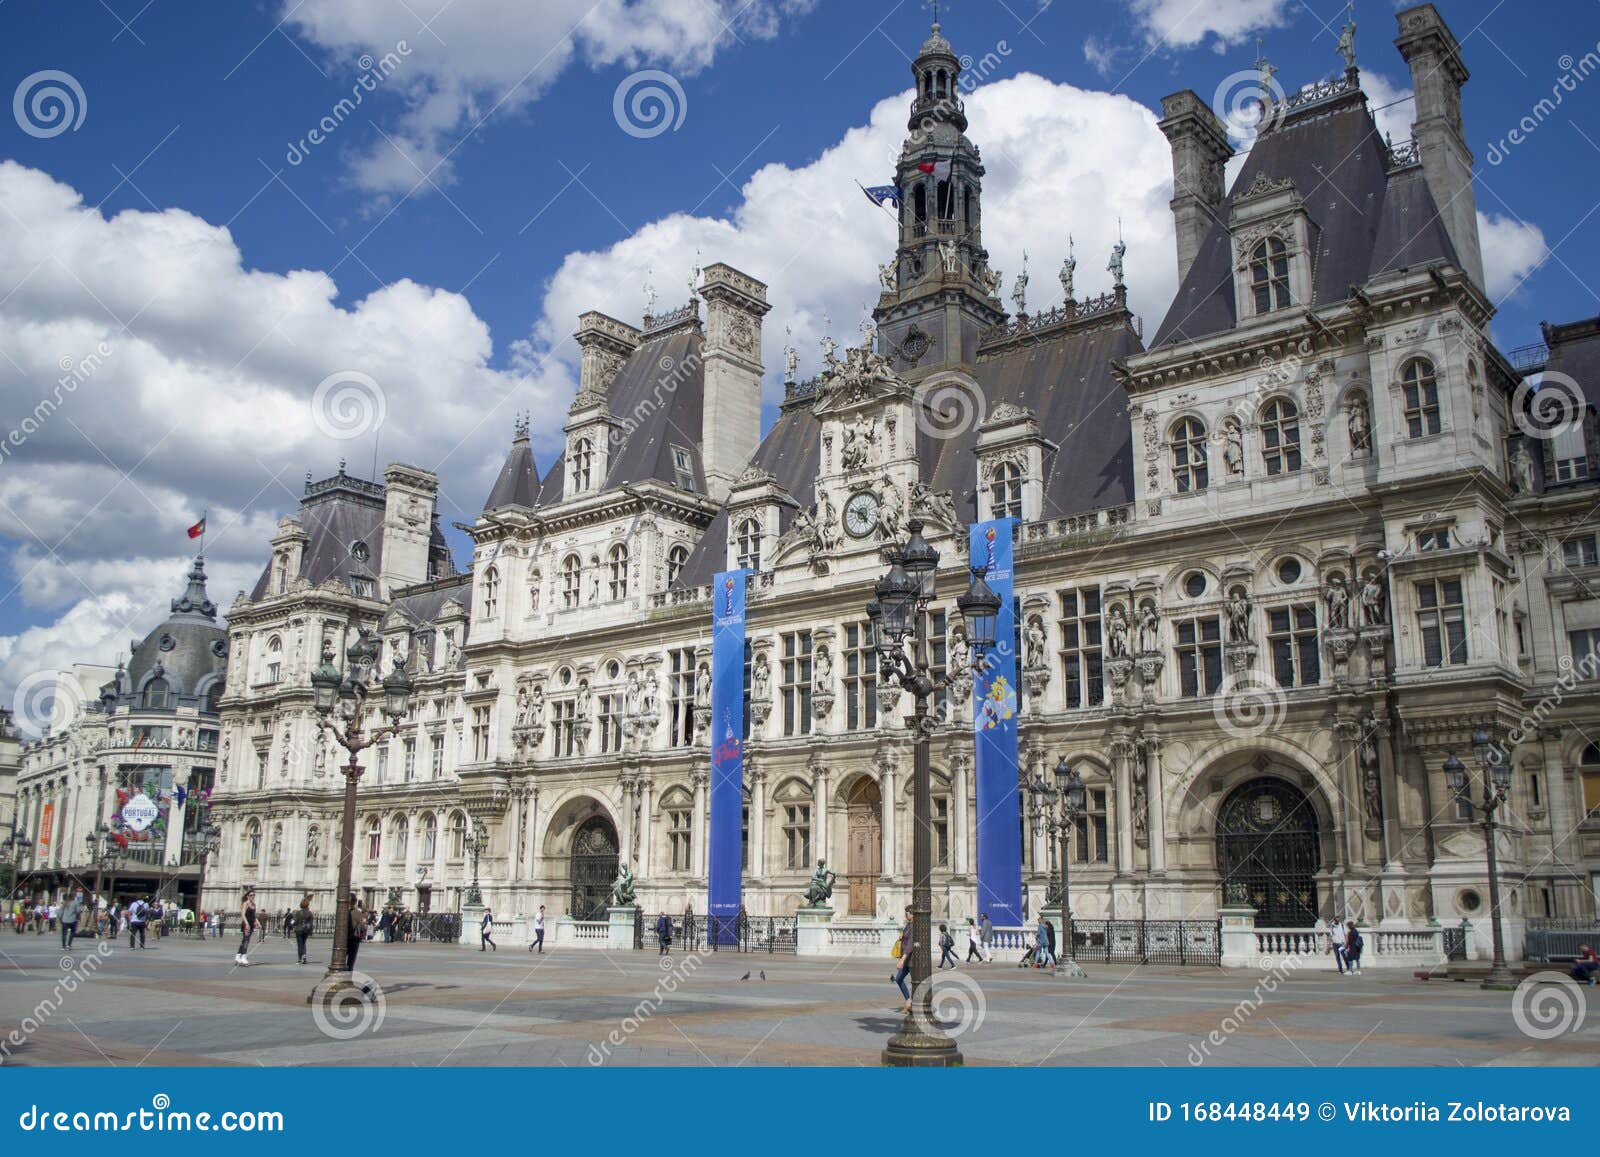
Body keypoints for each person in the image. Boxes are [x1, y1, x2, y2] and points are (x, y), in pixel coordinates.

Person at [891, 905, 915, 1013]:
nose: (906, 915)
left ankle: (915, 1004)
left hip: (911, 959)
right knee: (899, 978)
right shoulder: (908, 925)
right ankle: (908, 1000)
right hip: (906, 959)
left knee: (916, 982)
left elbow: (910, 944)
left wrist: (902, 959)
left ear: (912, 914)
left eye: (907, 913)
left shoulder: (915, 926)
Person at [236, 890, 258, 966]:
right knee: (246, 940)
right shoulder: (245, 903)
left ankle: (238, 955)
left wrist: (257, 922)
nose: (252, 896)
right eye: (251, 895)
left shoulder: (254, 905)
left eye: (254, 895)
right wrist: (247, 923)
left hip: (251, 924)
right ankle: (243, 956)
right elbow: (243, 914)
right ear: (247, 896)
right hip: (246, 924)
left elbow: (254, 915)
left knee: (245, 940)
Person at [345, 897, 367, 970]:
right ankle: (349, 969)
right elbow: (363, 926)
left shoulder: (341, 911)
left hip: (342, 937)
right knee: (351, 957)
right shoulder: (357, 912)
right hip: (354, 937)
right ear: (355, 902)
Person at [293, 896, 314, 965]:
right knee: (304, 944)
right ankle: (304, 958)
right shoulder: (310, 913)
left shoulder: (298, 912)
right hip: (306, 930)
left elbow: (295, 922)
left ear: (301, 905)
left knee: (300, 944)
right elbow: (311, 923)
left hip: (299, 930)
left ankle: (300, 959)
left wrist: (292, 924)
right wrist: (310, 931)